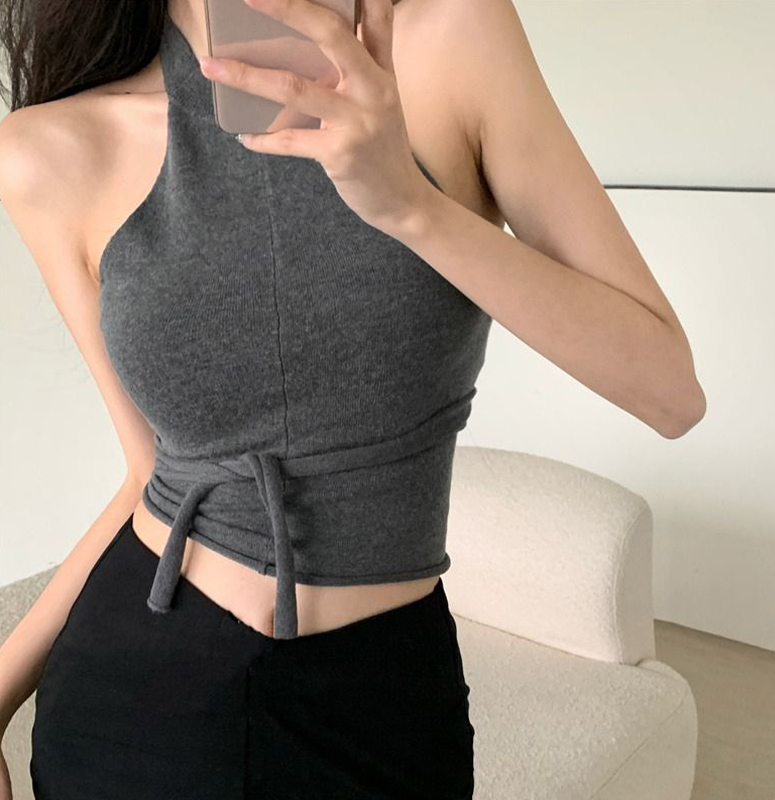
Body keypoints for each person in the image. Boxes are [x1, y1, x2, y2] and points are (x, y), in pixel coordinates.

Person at [0, 0, 706, 796]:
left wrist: (409, 205)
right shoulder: (49, 151)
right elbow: (147, 475)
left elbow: (670, 392)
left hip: (384, 701)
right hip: (135, 707)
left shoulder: (453, 38)